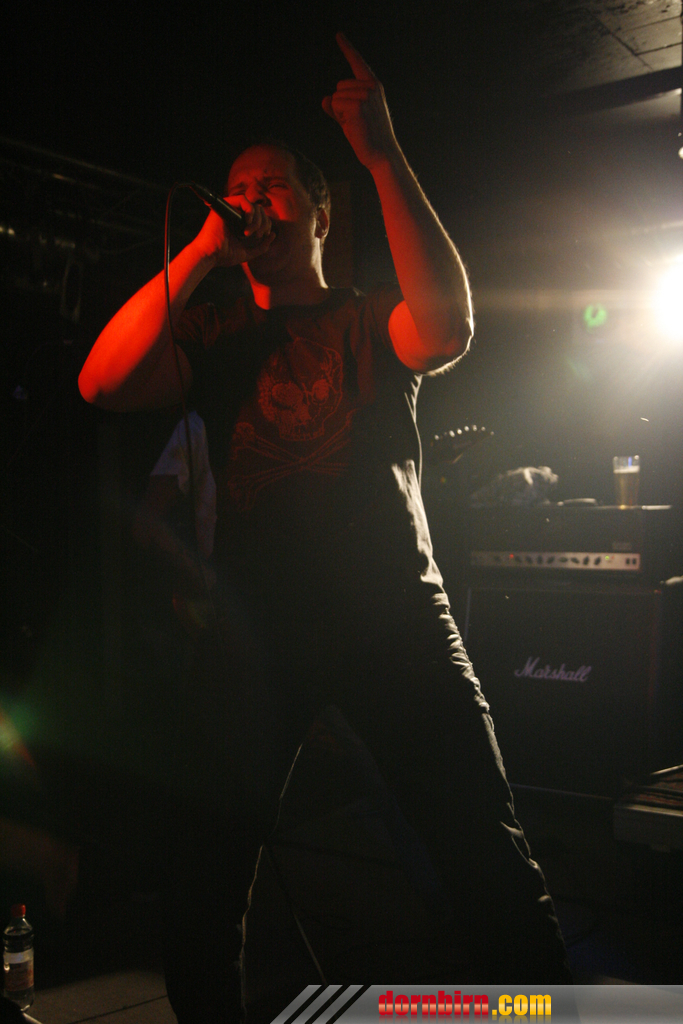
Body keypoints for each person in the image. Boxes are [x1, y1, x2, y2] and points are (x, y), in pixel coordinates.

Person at [79, 32, 571, 1021]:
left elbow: (449, 326)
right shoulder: (217, 335)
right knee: (203, 878)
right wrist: (201, 250)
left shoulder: (367, 320)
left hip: (397, 622)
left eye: (270, 185)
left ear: (316, 210)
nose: (250, 198)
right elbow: (102, 382)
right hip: (253, 635)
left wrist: (381, 155)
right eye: (237, 187)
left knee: (484, 860)